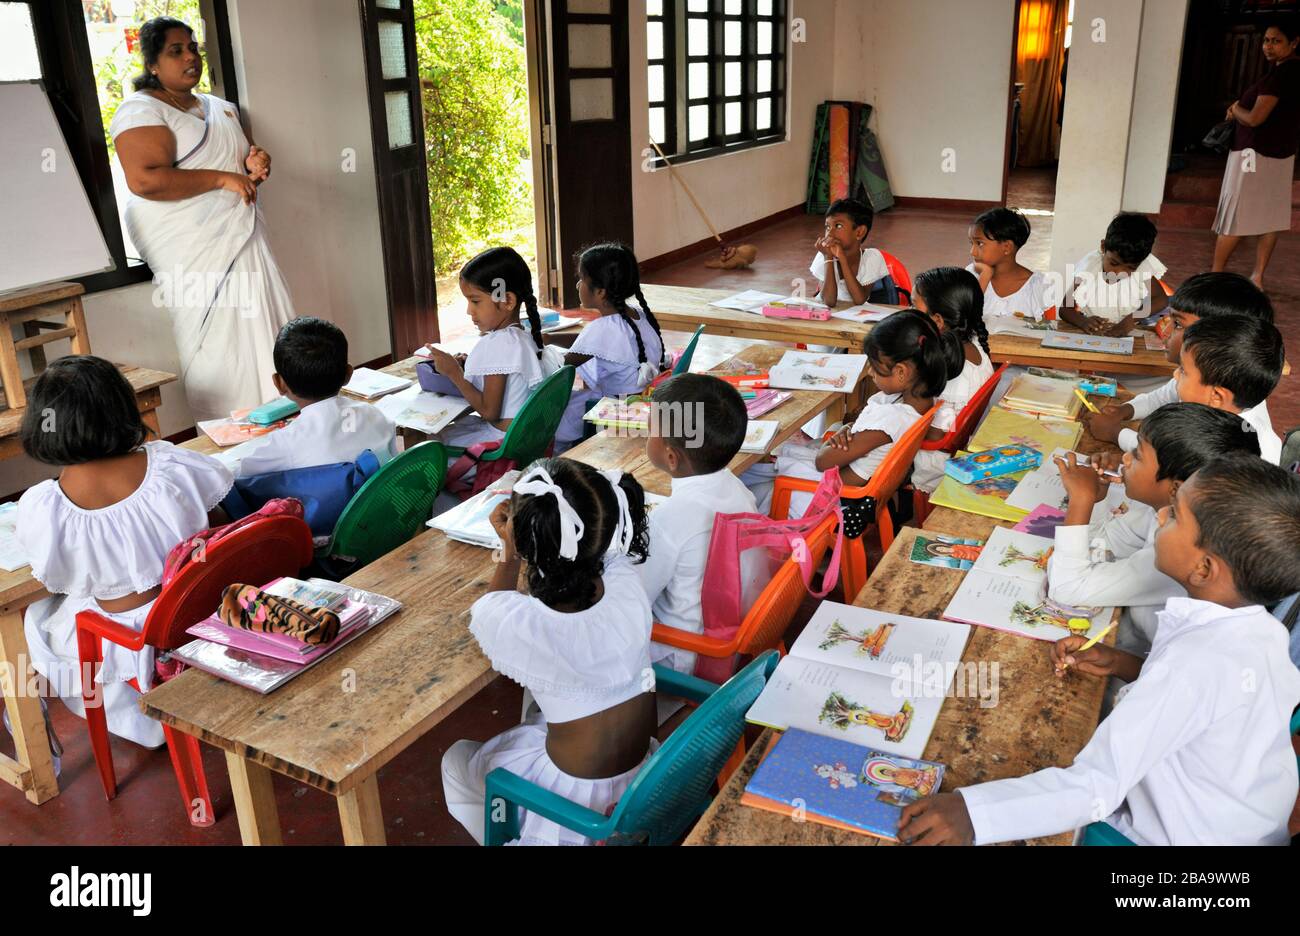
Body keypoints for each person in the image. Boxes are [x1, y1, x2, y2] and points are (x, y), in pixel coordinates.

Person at [898, 453, 1300, 846]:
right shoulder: (1262, 630)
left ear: (1204, 569)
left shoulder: (1195, 664)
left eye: (1175, 516)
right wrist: (1126, 663)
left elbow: (1096, 784)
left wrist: (972, 814)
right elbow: (1214, 706)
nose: (1160, 517)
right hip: (1250, 820)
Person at [17, 356, 233, 750]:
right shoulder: (170, 463)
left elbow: (55, 575)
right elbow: (217, 524)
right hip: (199, 610)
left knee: (36, 615)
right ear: (121, 406)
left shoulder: (44, 507)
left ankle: (128, 714)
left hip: (130, 640)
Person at [441, 458, 658, 845]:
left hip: (573, 798)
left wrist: (508, 551)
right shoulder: (627, 582)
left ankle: (505, 837)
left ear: (526, 542)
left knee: (456, 760)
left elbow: (493, 608)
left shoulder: (520, 625)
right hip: (643, 774)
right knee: (536, 719)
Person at [110, 16, 294, 420]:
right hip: (193, 246)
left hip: (242, 235)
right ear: (153, 64)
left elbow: (241, 167)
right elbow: (144, 180)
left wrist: (255, 160)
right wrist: (223, 178)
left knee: (267, 327)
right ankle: (234, 429)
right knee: (218, 342)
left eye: (193, 48)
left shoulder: (221, 109)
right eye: (176, 51)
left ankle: (285, 420)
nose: (190, 57)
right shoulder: (140, 110)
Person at [1048, 404, 1261, 706]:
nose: (1124, 458)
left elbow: (1067, 588)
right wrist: (1116, 661)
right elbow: (1110, 540)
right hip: (1135, 662)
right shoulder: (1176, 517)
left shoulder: (1181, 556)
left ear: (1175, 489)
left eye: (1137, 455)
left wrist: (1081, 501)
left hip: (1135, 690)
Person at [636, 374, 769, 680]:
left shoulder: (671, 520)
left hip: (685, 654)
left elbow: (633, 596)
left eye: (650, 430)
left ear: (671, 456)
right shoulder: (737, 489)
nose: (647, 435)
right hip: (732, 635)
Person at [1086, 272, 1275, 453]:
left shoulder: (1240, 433)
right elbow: (1160, 397)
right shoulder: (1207, 380)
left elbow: (1170, 456)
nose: (1165, 330)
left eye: (1177, 324)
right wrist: (1125, 410)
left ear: (1217, 337)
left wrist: (1115, 434)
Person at [422, 247, 555, 448]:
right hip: (521, 440)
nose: (469, 310)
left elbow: (489, 411)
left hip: (498, 448)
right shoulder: (523, 336)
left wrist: (454, 372)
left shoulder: (499, 344)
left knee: (424, 441)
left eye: (475, 301)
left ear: (507, 300)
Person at [233, 317, 396, 478]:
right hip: (387, 502)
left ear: (279, 384)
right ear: (348, 375)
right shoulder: (375, 415)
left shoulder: (285, 443)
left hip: (332, 505)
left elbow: (238, 474)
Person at [1212, 16, 1300, 291]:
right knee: (1270, 216)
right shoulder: (1288, 72)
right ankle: (1257, 276)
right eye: (1266, 40)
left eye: (1276, 41)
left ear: (1294, 42)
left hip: (1254, 155)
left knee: (1235, 215)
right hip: (1281, 154)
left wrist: (1235, 107)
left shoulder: (1281, 76)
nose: (1268, 46)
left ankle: (1215, 275)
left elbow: (1254, 119)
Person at [556, 244, 666, 446]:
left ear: (599, 292)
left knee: (567, 395)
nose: (578, 285)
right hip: (642, 403)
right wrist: (551, 339)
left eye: (581, 279)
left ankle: (564, 448)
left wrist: (541, 351)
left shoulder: (601, 329)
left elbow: (561, 368)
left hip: (618, 416)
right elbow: (594, 343)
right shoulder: (637, 315)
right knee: (589, 378)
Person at [909, 267, 994, 492]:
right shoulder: (972, 345)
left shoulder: (953, 375)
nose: (908, 311)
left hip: (934, 468)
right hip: (953, 454)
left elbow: (937, 435)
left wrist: (897, 420)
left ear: (937, 320)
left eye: (913, 305)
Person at [1062, 212, 1167, 336]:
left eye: (1130, 268)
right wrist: (1083, 322)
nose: (1120, 273)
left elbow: (1161, 300)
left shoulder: (1142, 271)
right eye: (1114, 263)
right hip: (1092, 330)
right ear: (1103, 247)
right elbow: (1065, 308)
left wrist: (1129, 321)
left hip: (1127, 332)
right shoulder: (1090, 267)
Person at [966, 207, 1053, 330]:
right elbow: (962, 319)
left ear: (1007, 247)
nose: (972, 252)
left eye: (980, 243)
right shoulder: (971, 275)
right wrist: (985, 277)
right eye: (971, 243)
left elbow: (1050, 330)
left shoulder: (1039, 286)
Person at [810, 197, 890, 307]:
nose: (830, 234)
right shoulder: (823, 255)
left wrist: (842, 259)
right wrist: (828, 258)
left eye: (838, 226)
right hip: (829, 317)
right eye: (827, 227)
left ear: (859, 232)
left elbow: (859, 299)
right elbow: (829, 301)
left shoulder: (872, 258)